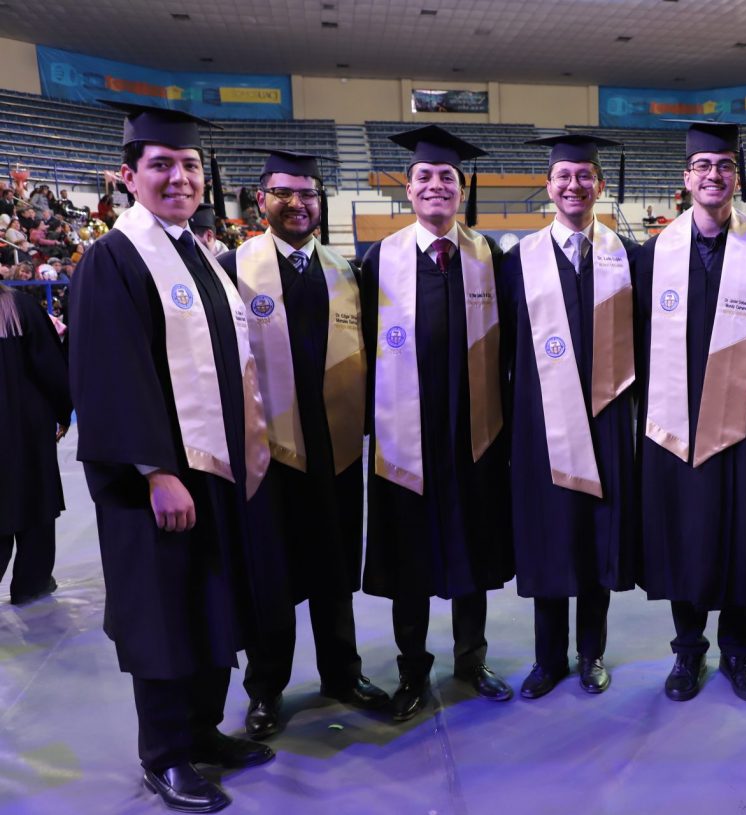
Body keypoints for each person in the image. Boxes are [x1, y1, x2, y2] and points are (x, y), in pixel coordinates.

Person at [68, 102, 291, 812]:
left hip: (218, 470)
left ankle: (202, 731)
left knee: (211, 604)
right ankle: (164, 754)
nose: (179, 177)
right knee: (166, 614)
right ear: (128, 176)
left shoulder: (201, 257)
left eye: (189, 165)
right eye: (161, 164)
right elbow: (111, 376)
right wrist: (156, 472)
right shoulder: (112, 259)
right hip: (160, 483)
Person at [217, 149, 386, 740]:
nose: (297, 203)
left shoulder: (347, 273)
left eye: (308, 193)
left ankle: (342, 673)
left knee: (333, 566)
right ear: (260, 199)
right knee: (273, 571)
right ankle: (266, 687)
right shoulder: (232, 268)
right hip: (266, 447)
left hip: (335, 442)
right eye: (283, 193)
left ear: (320, 202)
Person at [360, 125, 514, 722]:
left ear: (461, 188)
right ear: (408, 187)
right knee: (409, 556)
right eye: (424, 176)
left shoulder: (487, 256)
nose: (435, 185)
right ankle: (412, 669)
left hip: (473, 431)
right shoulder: (381, 259)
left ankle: (471, 660)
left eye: (447, 176)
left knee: (472, 546)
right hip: (406, 433)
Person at [636, 121, 746, 704]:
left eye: (724, 165)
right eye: (703, 166)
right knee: (684, 533)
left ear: (736, 177)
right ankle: (688, 651)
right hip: (674, 420)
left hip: (744, 419)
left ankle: (739, 655)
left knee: (740, 534)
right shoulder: (653, 255)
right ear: (686, 178)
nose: (714, 175)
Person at [499, 134, 639, 699]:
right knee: (550, 533)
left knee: (595, 535)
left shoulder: (627, 257)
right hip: (540, 422)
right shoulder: (519, 261)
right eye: (564, 175)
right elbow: (503, 348)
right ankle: (547, 658)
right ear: (549, 185)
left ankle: (591, 653)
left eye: (584, 175)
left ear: (599, 185)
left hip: (607, 419)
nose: (574, 185)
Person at [0, 283, 71, 605]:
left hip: (25, 423)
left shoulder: (20, 308)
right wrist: (62, 412)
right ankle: (32, 583)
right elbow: (51, 368)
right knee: (36, 500)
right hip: (26, 425)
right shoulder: (23, 308)